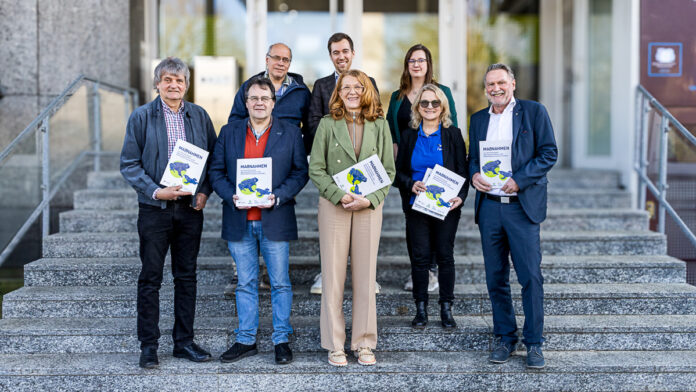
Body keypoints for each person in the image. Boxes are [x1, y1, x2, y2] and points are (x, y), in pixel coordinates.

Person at [120, 57, 216, 369]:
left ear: (187, 85)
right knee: (150, 277)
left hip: (189, 210)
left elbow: (214, 160)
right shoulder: (141, 116)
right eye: (168, 80)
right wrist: (155, 191)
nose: (174, 85)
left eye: (179, 81)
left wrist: (204, 191)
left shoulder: (199, 116)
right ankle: (149, 345)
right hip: (154, 209)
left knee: (186, 277)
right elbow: (129, 164)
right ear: (157, 83)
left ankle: (183, 342)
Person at [209, 76, 309, 365]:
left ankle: (281, 339)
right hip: (239, 217)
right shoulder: (228, 132)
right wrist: (231, 196)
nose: (259, 103)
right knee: (246, 283)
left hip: (274, 217)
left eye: (265, 98)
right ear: (246, 101)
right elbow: (216, 172)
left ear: (273, 103)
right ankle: (245, 340)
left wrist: (277, 196)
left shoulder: (290, 133)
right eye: (254, 98)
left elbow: (300, 173)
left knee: (280, 282)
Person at [468, 63, 557, 369]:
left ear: (513, 83)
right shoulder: (478, 119)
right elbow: (473, 159)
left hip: (521, 206)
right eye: (490, 84)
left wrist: (520, 179)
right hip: (490, 206)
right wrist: (473, 176)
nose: (496, 88)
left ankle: (534, 343)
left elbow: (548, 153)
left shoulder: (533, 112)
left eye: (501, 83)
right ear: (486, 89)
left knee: (530, 276)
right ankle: (505, 337)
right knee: (495, 278)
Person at [308, 69, 395, 367]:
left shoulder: (380, 125)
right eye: (346, 87)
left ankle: (364, 342)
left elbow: (388, 171)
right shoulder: (326, 124)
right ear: (339, 92)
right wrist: (339, 195)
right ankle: (335, 345)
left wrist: (369, 199)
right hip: (335, 206)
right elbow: (316, 169)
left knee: (365, 275)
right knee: (332, 276)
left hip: (369, 207)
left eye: (358, 86)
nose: (352, 91)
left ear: (366, 90)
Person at [224, 43, 311, 296]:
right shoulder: (250, 86)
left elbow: (310, 125)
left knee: (274, 217)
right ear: (267, 59)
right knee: (246, 214)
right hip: (251, 160)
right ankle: (240, 272)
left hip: (282, 165)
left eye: (286, 59)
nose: (281, 63)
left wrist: (295, 150)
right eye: (276, 58)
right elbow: (234, 121)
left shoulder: (300, 91)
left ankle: (269, 272)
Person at [306, 32, 379, 295]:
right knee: (331, 228)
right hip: (332, 166)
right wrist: (334, 138)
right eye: (336, 52)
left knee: (363, 231)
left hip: (363, 167)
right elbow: (314, 122)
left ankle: (366, 275)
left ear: (352, 53)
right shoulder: (322, 84)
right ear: (330, 56)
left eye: (345, 51)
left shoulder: (368, 82)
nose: (341, 56)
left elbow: (375, 118)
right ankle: (327, 272)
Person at [393, 84, 469, 329]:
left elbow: (463, 171)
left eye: (435, 103)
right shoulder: (408, 136)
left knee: (445, 256)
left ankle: (446, 308)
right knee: (420, 258)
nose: (429, 107)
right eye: (424, 103)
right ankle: (421, 308)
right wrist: (410, 184)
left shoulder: (453, 135)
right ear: (417, 107)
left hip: (446, 207)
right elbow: (397, 173)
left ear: (443, 106)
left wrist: (461, 196)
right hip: (417, 206)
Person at [386, 43, 459, 292]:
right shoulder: (397, 98)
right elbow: (390, 132)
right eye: (412, 60)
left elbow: (452, 130)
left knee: (438, 219)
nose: (416, 64)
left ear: (428, 64)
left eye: (421, 60)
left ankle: (433, 270)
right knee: (413, 220)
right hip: (409, 171)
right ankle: (419, 269)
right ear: (407, 66)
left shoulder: (443, 92)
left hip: (440, 173)